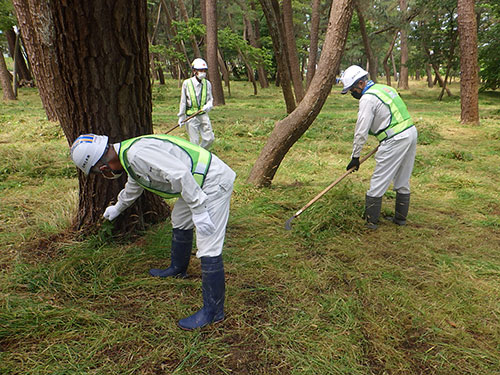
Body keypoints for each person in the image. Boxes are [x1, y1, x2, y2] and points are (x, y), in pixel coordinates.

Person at [70, 133, 236, 330]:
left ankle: (214, 311)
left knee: (208, 243)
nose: (104, 174)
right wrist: (118, 207)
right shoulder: (128, 156)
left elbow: (180, 174)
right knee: (180, 220)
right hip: (195, 182)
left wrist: (199, 210)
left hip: (212, 180)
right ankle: (178, 269)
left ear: (103, 166)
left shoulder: (138, 154)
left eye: (100, 172)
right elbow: (135, 184)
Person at [340, 65, 417, 229]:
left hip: (395, 139)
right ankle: (400, 220)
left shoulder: (367, 98)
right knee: (403, 179)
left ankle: (371, 222)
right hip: (410, 132)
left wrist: (355, 157)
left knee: (378, 180)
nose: (352, 93)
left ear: (360, 84)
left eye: (352, 89)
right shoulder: (384, 88)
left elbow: (361, 131)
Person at [177, 58, 214, 149]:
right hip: (191, 116)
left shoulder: (207, 84)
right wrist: (181, 116)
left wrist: (208, 106)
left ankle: (200, 152)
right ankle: (196, 158)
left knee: (210, 138)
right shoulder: (187, 83)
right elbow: (183, 101)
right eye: (200, 70)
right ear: (194, 71)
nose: (203, 72)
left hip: (203, 114)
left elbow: (210, 99)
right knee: (194, 142)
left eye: (204, 71)